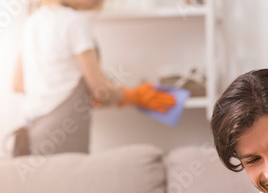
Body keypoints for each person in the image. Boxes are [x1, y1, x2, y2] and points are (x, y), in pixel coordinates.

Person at [11, 0, 175, 156]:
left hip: (34, 129)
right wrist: (134, 96)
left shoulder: (32, 21)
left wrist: (69, 91)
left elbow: (18, 84)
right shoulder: (75, 22)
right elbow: (100, 90)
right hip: (63, 131)